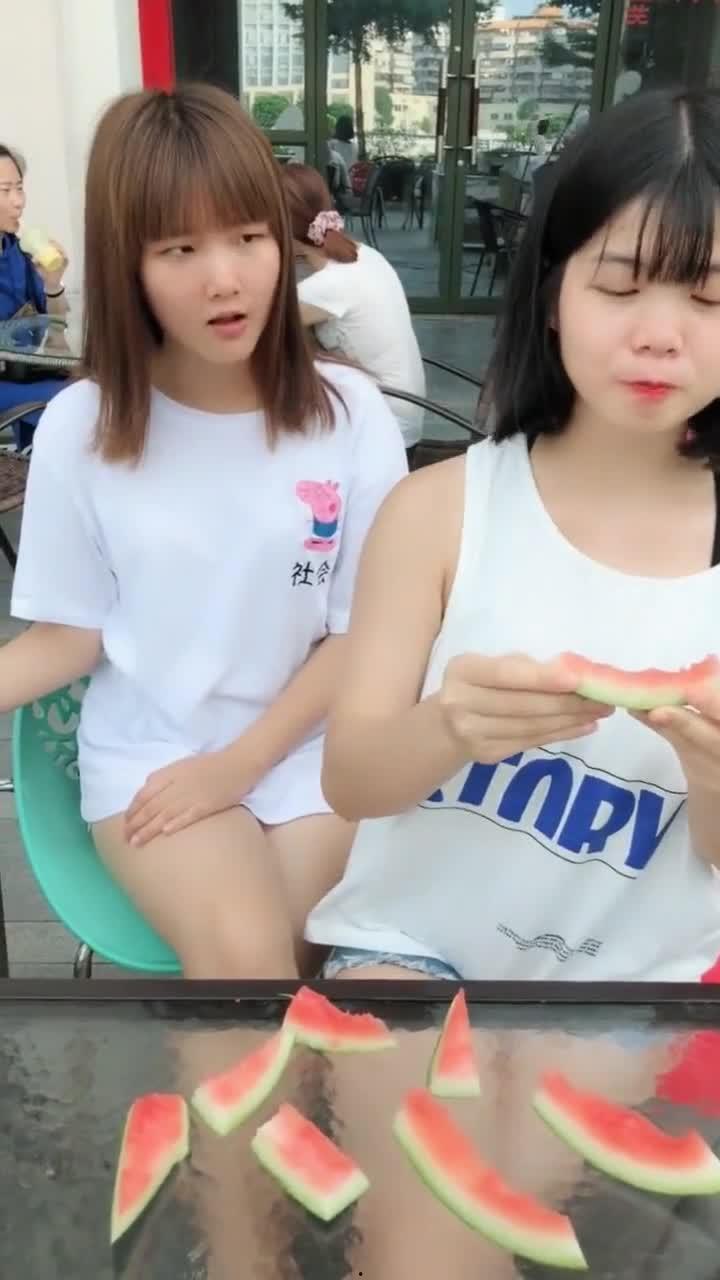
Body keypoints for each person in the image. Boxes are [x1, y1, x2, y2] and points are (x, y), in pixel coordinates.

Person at [306, 85, 720, 987]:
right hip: (408, 947)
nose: (660, 336)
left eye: (710, 297)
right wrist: (448, 726)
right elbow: (353, 782)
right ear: (553, 295)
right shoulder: (436, 512)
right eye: (619, 286)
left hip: (640, 984)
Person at [3, 83, 407, 979]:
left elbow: (361, 633)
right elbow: (69, 636)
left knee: (281, 969)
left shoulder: (350, 414)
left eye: (249, 237)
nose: (224, 278)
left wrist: (243, 764)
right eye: (179, 249)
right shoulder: (83, 426)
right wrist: (211, 771)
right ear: (129, 264)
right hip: (154, 754)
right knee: (247, 963)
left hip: (312, 749)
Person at [281, 162, 426, 461]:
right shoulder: (366, 255)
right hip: (405, 414)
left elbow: (263, 334)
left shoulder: (325, 287)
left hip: (384, 433)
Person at [0, 143, 69, 448]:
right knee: (75, 398)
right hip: (7, 379)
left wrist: (53, 283)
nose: (18, 201)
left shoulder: (18, 251)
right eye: (5, 191)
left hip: (25, 372)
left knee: (91, 382)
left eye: (19, 188)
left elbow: (55, 330)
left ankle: (31, 458)